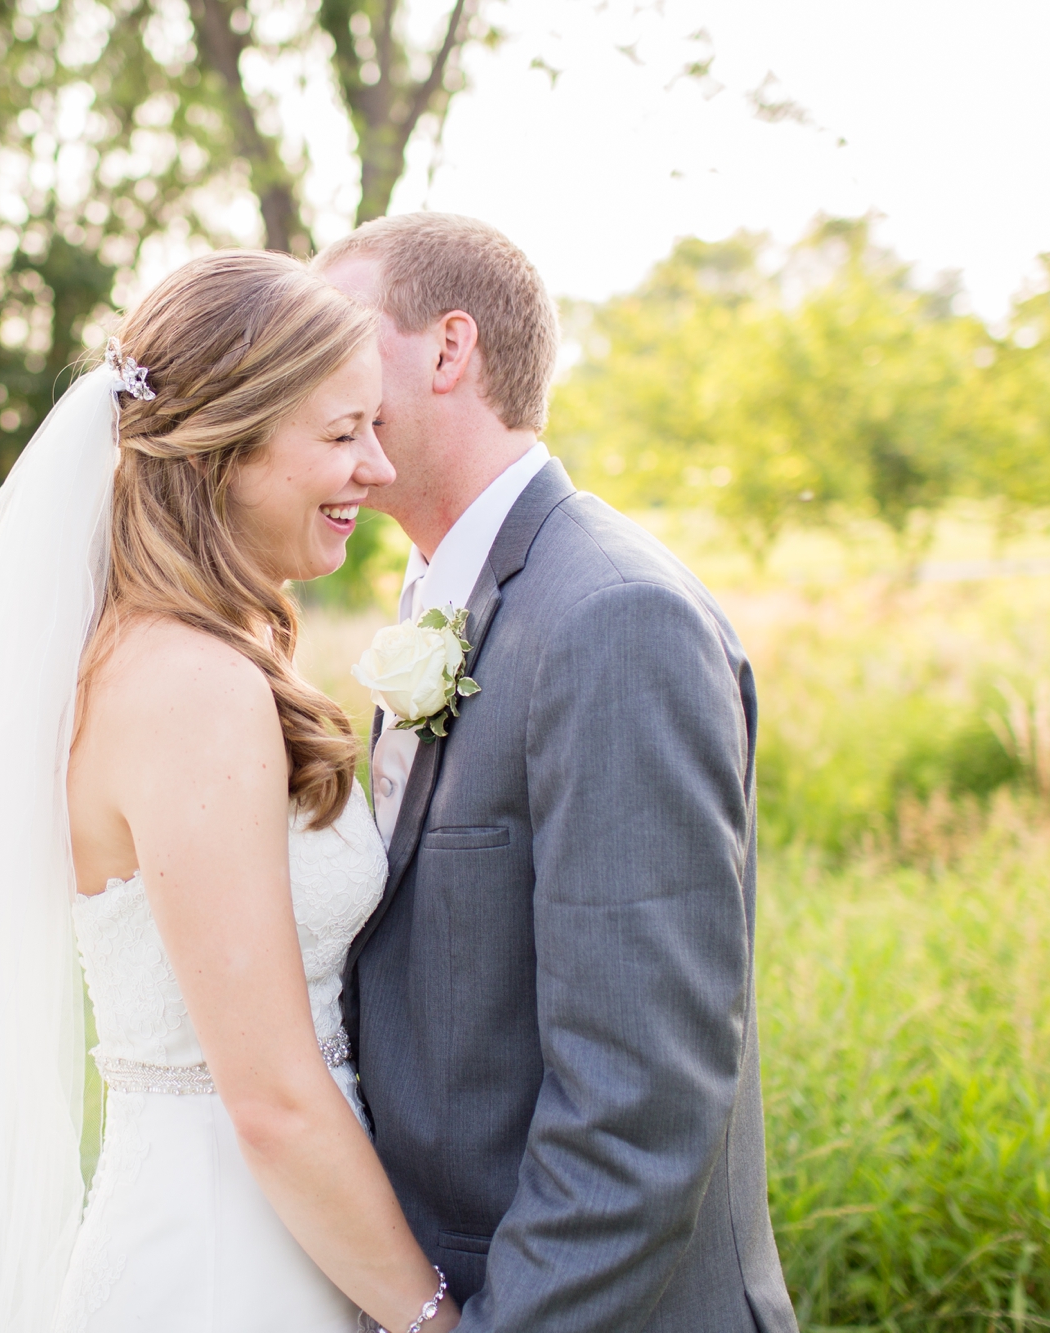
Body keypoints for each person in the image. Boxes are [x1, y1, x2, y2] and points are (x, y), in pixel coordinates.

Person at [0, 250, 456, 1333]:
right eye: (341, 433)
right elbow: (270, 1100)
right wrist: (435, 1317)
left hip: (259, 1231)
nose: (377, 468)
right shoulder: (190, 689)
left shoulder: (152, 654)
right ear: (222, 449)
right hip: (232, 1263)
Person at [318, 212, 799, 1333]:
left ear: (447, 351)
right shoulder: (443, 595)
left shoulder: (609, 617)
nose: (309, 374)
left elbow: (640, 1098)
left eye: (336, 339)